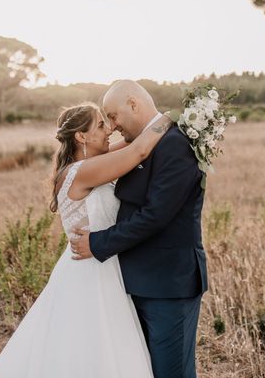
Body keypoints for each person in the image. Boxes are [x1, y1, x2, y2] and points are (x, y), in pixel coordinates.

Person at [0, 99, 173, 378]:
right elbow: (139, 151)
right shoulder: (81, 172)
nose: (109, 129)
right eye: (101, 125)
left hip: (102, 264)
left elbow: (135, 141)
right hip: (90, 273)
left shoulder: (90, 164)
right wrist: (173, 116)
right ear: (81, 136)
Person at [71, 80, 208, 378]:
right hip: (136, 281)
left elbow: (156, 215)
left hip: (169, 283)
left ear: (133, 104)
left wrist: (98, 242)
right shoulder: (144, 142)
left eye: (114, 116)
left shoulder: (175, 143)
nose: (113, 126)